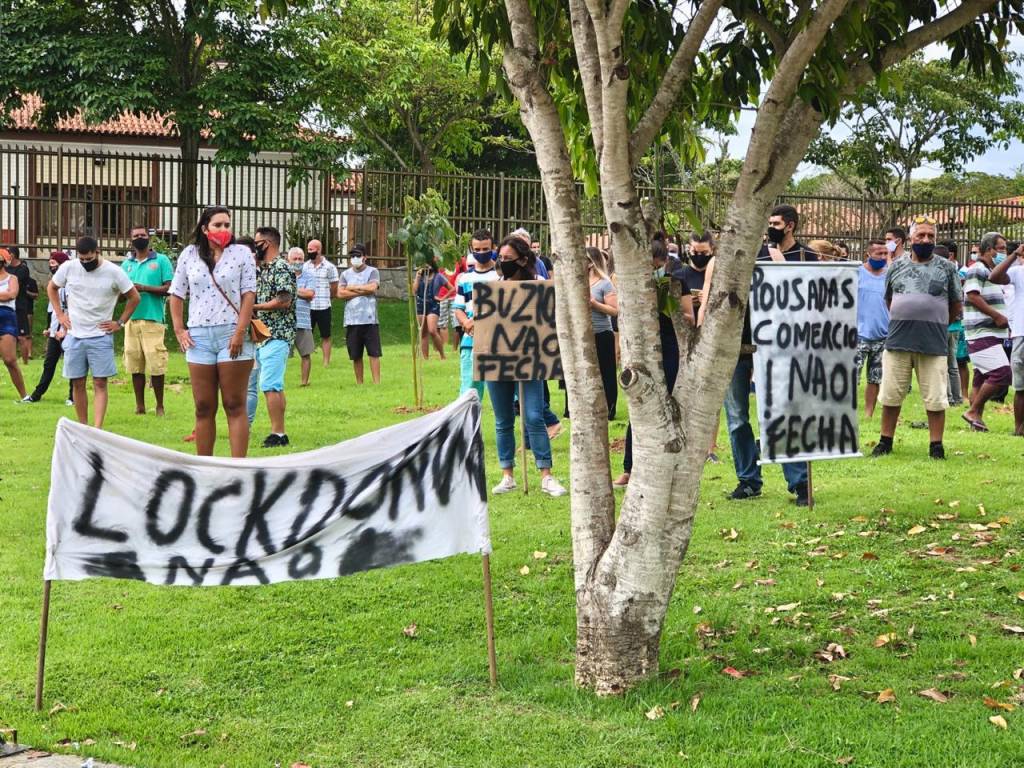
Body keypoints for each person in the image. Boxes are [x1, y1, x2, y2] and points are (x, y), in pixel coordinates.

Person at [722, 204, 815, 504]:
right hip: (739, 344)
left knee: (784, 412)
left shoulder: (807, 257)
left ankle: (799, 482)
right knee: (737, 417)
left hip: (781, 347)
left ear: (790, 225)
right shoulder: (749, 255)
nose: (769, 228)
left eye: (774, 223)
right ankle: (748, 480)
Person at [169, 206, 257, 458]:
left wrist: (240, 332)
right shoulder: (190, 254)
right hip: (199, 337)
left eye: (227, 224)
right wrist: (179, 329)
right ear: (205, 228)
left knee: (234, 403)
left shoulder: (241, 253)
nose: (224, 229)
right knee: (203, 406)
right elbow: (176, 293)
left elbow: (248, 294)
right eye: (218, 225)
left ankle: (238, 467)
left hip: (232, 333)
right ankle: (204, 466)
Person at [873, 216, 961, 459]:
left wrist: (937, 323)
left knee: (935, 398)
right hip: (898, 340)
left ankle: (936, 446)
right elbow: (889, 300)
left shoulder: (947, 268)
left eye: (930, 235)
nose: (925, 239)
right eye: (921, 235)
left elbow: (956, 303)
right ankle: (885, 442)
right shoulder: (896, 266)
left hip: (933, 342)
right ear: (910, 238)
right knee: (891, 395)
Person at [488, 235, 567, 497]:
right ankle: (507, 475)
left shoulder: (539, 286)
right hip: (498, 359)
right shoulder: (493, 289)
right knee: (503, 420)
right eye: (500, 258)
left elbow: (551, 321)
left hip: (530, 359)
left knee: (533, 416)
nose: (503, 262)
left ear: (523, 260)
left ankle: (546, 476)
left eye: (508, 258)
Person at [613, 239, 693, 488]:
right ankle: (630, 468)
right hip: (641, 352)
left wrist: (670, 308)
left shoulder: (676, 284)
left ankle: (668, 464)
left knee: (667, 405)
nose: (653, 271)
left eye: (656, 266)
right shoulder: (634, 286)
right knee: (640, 406)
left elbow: (689, 317)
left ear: (665, 262)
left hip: (669, 350)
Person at [48, 236, 140, 428]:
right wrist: (60, 315)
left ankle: (97, 429)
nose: (85, 263)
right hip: (75, 335)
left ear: (97, 252)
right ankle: (83, 426)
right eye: (82, 259)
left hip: (100, 336)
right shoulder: (69, 267)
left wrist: (120, 322)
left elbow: (134, 297)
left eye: (89, 259)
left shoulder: (114, 272)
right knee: (77, 383)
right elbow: (52, 287)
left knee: (100, 383)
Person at [959, 232, 1012, 431]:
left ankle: (976, 422)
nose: (1004, 252)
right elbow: (972, 296)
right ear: (989, 249)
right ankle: (973, 411)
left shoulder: (991, 271)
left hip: (991, 332)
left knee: (981, 377)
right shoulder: (978, 269)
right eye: (1001, 249)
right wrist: (996, 316)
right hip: (981, 331)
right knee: (1002, 374)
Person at [121, 224, 174, 416]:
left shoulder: (161, 260)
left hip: (153, 318)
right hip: (131, 319)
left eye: (142, 235)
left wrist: (143, 288)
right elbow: (120, 292)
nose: (139, 238)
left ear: (148, 238)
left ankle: (160, 405)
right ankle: (140, 406)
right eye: (135, 236)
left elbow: (169, 288)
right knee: (135, 364)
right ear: (131, 240)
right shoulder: (126, 265)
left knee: (156, 363)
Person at [251, 226, 296, 447]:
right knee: (274, 384)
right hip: (265, 335)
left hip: (277, 334)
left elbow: (284, 300)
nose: (254, 247)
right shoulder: (264, 268)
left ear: (266, 244)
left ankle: (278, 434)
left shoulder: (280, 267)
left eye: (256, 243)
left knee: (269, 385)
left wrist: (254, 307)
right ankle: (280, 432)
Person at [685, 231, 722, 463]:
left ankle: (709, 447)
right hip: (685, 336)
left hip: (710, 335)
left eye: (704, 252)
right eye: (695, 252)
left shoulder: (718, 273)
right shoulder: (679, 273)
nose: (699, 256)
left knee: (711, 393)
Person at [453, 229, 500, 398]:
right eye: (477, 249)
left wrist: (477, 320)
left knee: (501, 393)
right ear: (471, 250)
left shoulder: (499, 276)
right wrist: (465, 322)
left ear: (493, 248)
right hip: (470, 341)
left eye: (485, 249)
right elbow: (458, 307)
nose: (481, 253)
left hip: (497, 341)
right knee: (469, 391)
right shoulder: (465, 278)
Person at [23, 251, 74, 404]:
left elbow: (72, 309)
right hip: (55, 330)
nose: (51, 267)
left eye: (53, 264)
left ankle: (72, 397)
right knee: (49, 363)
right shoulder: (54, 285)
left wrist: (65, 330)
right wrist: (49, 329)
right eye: (50, 264)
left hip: (69, 329)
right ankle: (36, 395)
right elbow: (51, 310)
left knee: (72, 363)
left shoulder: (71, 284)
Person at [988, 241, 1024, 435]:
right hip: (1021, 334)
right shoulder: (1019, 272)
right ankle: (1019, 429)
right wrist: (1014, 255)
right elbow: (994, 276)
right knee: (1020, 387)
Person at [855, 239, 891, 419]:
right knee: (852, 376)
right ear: (868, 254)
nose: (883, 257)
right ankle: (849, 411)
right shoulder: (857, 273)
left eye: (885, 253)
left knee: (875, 378)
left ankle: (869, 414)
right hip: (858, 335)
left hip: (883, 335)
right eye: (879, 253)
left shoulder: (890, 275)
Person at [338, 245, 382, 384]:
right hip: (352, 320)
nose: (355, 258)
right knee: (356, 354)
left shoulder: (373, 271)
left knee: (374, 353)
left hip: (370, 319)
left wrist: (351, 287)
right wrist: (362, 290)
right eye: (352, 256)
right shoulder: (345, 274)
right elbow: (340, 293)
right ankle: (359, 383)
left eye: (358, 255)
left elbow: (372, 288)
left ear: (365, 257)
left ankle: (376, 382)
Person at [586, 247, 618, 420]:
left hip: (602, 333)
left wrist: (595, 304)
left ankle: (610, 407)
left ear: (591, 263)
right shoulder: (578, 282)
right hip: (583, 335)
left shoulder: (605, 283)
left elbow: (614, 310)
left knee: (606, 372)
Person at [940, 241, 969, 405]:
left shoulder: (944, 275)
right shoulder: (956, 274)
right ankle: (957, 398)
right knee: (953, 363)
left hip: (945, 324)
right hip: (956, 325)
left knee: (942, 363)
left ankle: (949, 397)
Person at [302, 239, 338, 367]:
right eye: (308, 249)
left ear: (319, 250)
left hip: (324, 306)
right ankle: (306, 358)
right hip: (308, 306)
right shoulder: (305, 266)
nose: (309, 252)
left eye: (311, 249)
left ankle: (326, 361)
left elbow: (334, 285)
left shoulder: (329, 267)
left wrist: (330, 297)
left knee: (326, 335)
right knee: (307, 335)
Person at [0, 248, 28, 399]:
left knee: (9, 359)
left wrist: (6, 295)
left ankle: (24, 395)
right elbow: (5, 295)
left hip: (6, 318)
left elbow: (11, 294)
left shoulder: (12, 278)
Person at [289, 247, 317, 387]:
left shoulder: (309, 276)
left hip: (303, 321)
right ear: (288, 260)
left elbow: (310, 294)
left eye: (300, 259)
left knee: (305, 354)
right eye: (295, 259)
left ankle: (304, 382)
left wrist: (291, 289)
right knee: (279, 354)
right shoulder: (284, 275)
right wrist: (301, 292)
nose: (298, 261)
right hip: (286, 321)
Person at [4, 246, 33, 364]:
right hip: (6, 306)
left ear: (12, 255)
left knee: (22, 336)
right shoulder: (6, 268)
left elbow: (12, 285)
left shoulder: (23, 269)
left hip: (19, 306)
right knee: (7, 335)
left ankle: (25, 362)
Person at [413, 257, 446, 359]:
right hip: (420, 304)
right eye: (425, 264)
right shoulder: (420, 276)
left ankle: (442, 355)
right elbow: (414, 291)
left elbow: (452, 288)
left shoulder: (438, 276)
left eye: (429, 264)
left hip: (433, 305)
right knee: (423, 333)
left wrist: (442, 297)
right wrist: (417, 277)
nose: (427, 266)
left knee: (432, 330)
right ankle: (425, 358)